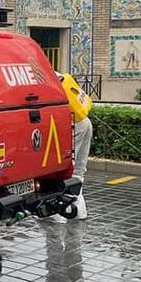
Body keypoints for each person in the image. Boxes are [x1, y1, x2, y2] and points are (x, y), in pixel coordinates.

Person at [57, 72, 91, 220]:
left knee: (64, 169)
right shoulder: (58, 75)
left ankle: (59, 215)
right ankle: (79, 213)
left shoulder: (43, 77)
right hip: (84, 120)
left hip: (72, 125)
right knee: (78, 172)